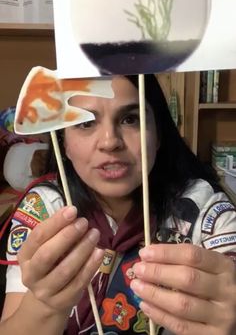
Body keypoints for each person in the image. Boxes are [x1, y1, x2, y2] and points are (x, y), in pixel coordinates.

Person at [0, 74, 236, 335]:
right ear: (64, 142)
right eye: (86, 122)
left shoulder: (203, 211)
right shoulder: (46, 210)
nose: (110, 141)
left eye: (130, 119)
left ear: (158, 135)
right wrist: (45, 304)